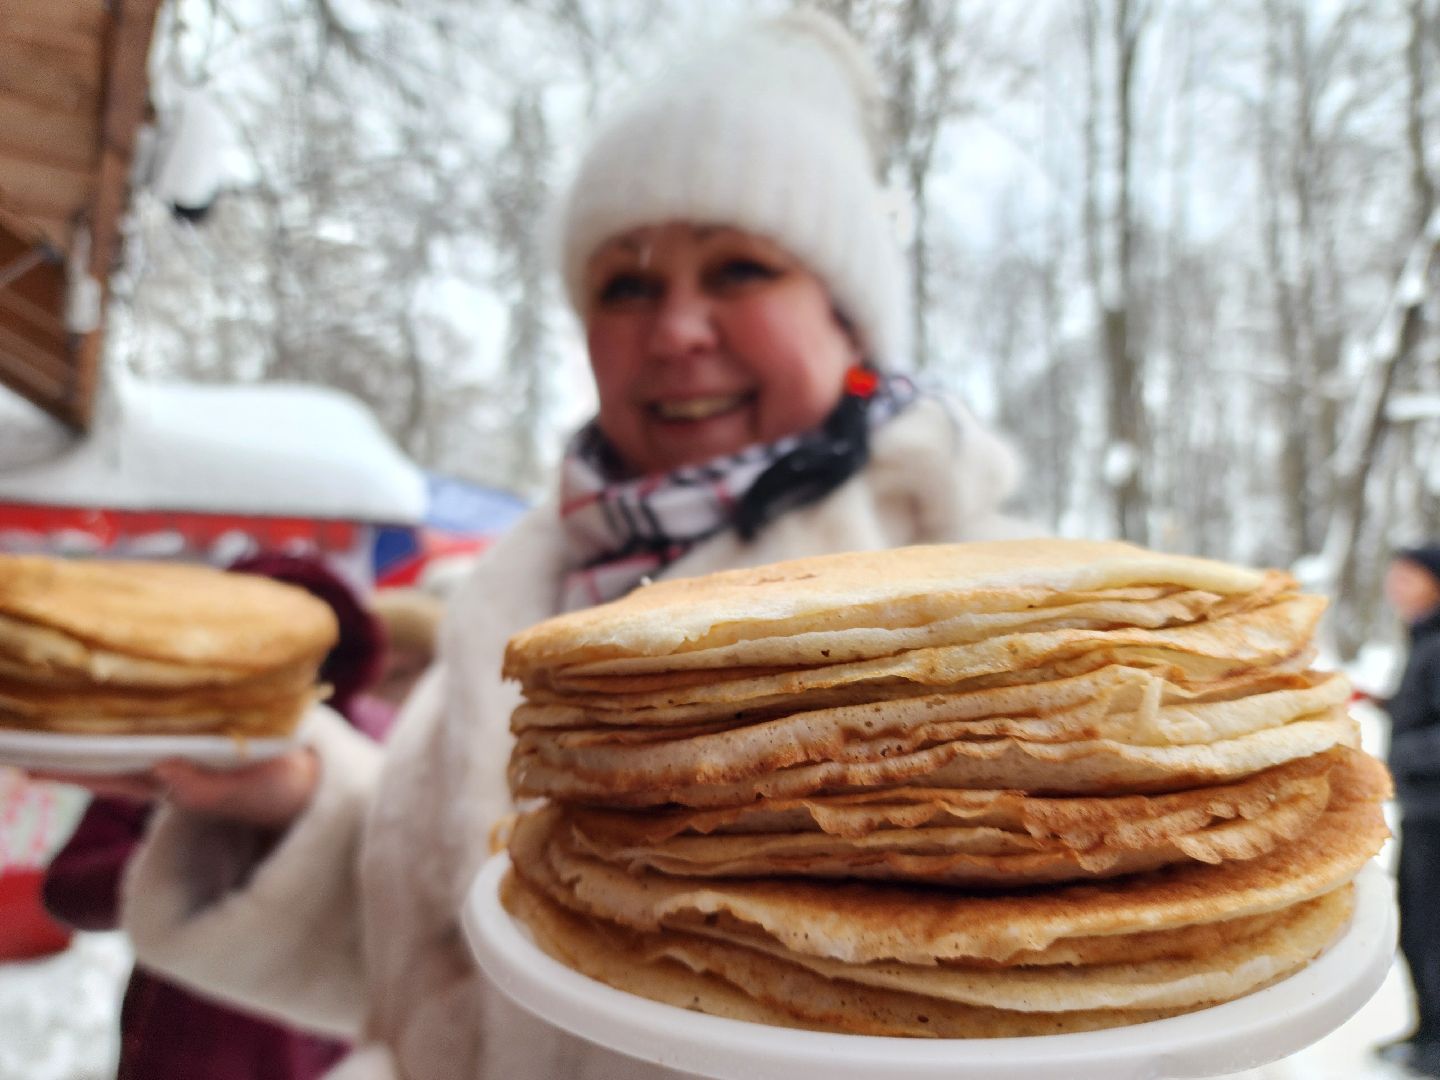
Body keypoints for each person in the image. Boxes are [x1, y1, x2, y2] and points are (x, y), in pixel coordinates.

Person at [68, 13, 1033, 1079]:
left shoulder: (1006, 617)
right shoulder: (529, 594)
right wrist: (290, 798)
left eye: (740, 269)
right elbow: (437, 957)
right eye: (627, 284)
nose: (675, 329)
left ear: (848, 318)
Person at [42, 552, 386, 1080]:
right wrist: (185, 857)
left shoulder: (377, 746)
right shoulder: (171, 747)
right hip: (180, 1042)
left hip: (305, 1051)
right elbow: (68, 892)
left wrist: (295, 826)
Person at [1378, 544, 1440, 1077]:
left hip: (1437, 814)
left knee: (1428, 928)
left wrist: (1401, 755)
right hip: (1424, 809)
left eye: (1405, 577)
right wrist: (1383, 703)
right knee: (1418, 927)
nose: (1393, 587)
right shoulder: (1425, 636)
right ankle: (1427, 1032)